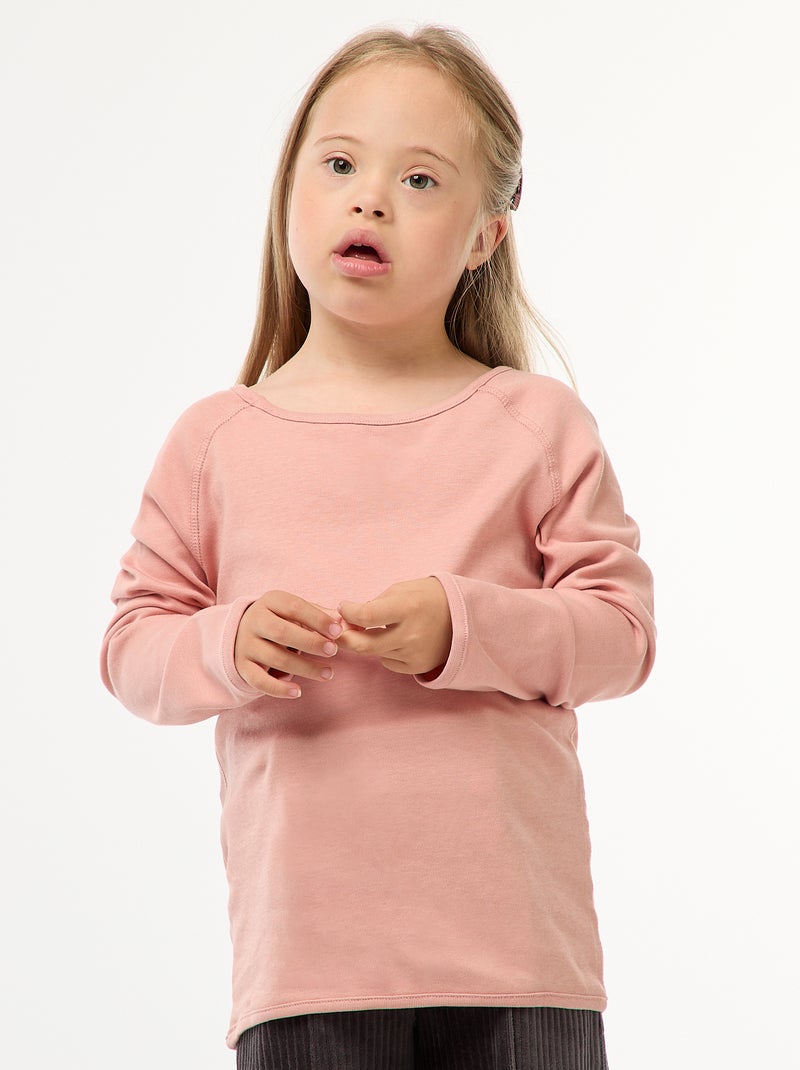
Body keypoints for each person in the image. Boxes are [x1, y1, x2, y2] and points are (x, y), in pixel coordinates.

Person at [100, 24, 655, 1070]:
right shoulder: (215, 441)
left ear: (485, 237)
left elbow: (621, 635)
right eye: (341, 165)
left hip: (516, 966)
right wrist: (226, 643)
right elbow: (132, 649)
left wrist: (465, 625)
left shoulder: (535, 426)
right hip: (308, 970)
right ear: (289, 192)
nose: (370, 201)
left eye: (419, 179)